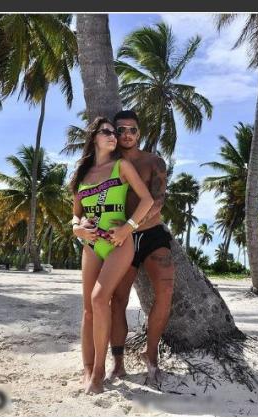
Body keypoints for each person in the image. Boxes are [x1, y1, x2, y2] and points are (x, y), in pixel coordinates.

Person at [70, 117, 154, 394]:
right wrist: (76, 229)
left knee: (99, 299)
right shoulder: (82, 174)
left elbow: (147, 200)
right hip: (91, 245)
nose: (113, 136)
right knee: (87, 310)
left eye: (114, 133)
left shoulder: (122, 166)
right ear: (93, 137)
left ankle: (99, 372)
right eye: (106, 131)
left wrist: (128, 228)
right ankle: (86, 368)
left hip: (119, 243)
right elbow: (76, 214)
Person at [105, 110, 173, 383]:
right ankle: (118, 362)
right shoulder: (108, 164)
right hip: (121, 239)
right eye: (121, 130)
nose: (127, 134)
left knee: (165, 290)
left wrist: (131, 226)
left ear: (139, 132)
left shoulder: (154, 161)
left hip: (151, 233)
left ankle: (151, 353)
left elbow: (158, 201)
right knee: (118, 300)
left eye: (132, 129)